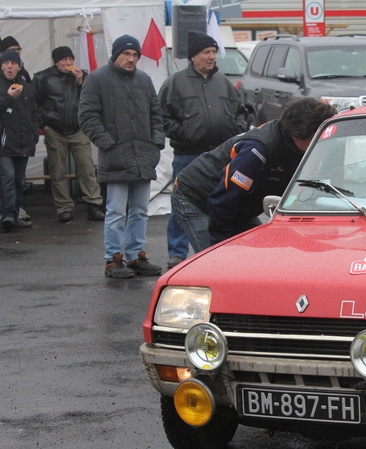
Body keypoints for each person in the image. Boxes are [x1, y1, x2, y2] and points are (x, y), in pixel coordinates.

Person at [171, 97, 336, 251]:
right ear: (296, 134)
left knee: (261, 251)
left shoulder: (301, 147)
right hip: (198, 197)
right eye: (317, 136)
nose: (322, 141)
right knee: (217, 263)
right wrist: (220, 250)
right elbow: (222, 200)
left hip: (240, 203)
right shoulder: (257, 150)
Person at [159, 30, 247, 269]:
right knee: (182, 203)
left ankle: (216, 247)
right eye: (206, 52)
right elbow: (162, 117)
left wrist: (236, 129)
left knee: (219, 202)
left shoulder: (224, 82)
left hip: (220, 156)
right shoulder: (174, 83)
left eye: (214, 52)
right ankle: (177, 252)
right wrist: (184, 132)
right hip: (188, 155)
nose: (211, 57)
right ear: (193, 56)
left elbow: (241, 111)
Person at [79, 35, 165, 279]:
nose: (131, 59)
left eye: (135, 55)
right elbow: (87, 116)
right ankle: (113, 260)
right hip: (115, 158)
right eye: (126, 54)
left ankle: (136, 255)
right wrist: (109, 145)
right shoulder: (97, 79)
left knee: (139, 210)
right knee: (116, 211)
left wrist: (156, 143)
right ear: (115, 55)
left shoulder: (144, 80)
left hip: (143, 158)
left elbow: (155, 115)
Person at [33, 46, 105, 223]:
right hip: (54, 130)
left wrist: (80, 82)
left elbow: (91, 99)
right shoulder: (43, 78)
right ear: (56, 61)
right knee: (58, 171)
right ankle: (64, 208)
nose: (68, 63)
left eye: (70, 59)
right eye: (64, 60)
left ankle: (94, 205)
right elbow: (34, 103)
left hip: (78, 129)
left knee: (87, 168)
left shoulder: (83, 76)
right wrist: (44, 125)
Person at [0, 49, 39, 232]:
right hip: (4, 142)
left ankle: (15, 212)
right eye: (6, 63)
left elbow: (33, 114)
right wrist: (8, 97)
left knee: (18, 179)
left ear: (19, 66)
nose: (9, 66)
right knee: (7, 176)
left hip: (23, 141)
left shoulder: (27, 88)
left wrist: (34, 135)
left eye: (13, 63)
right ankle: (8, 214)